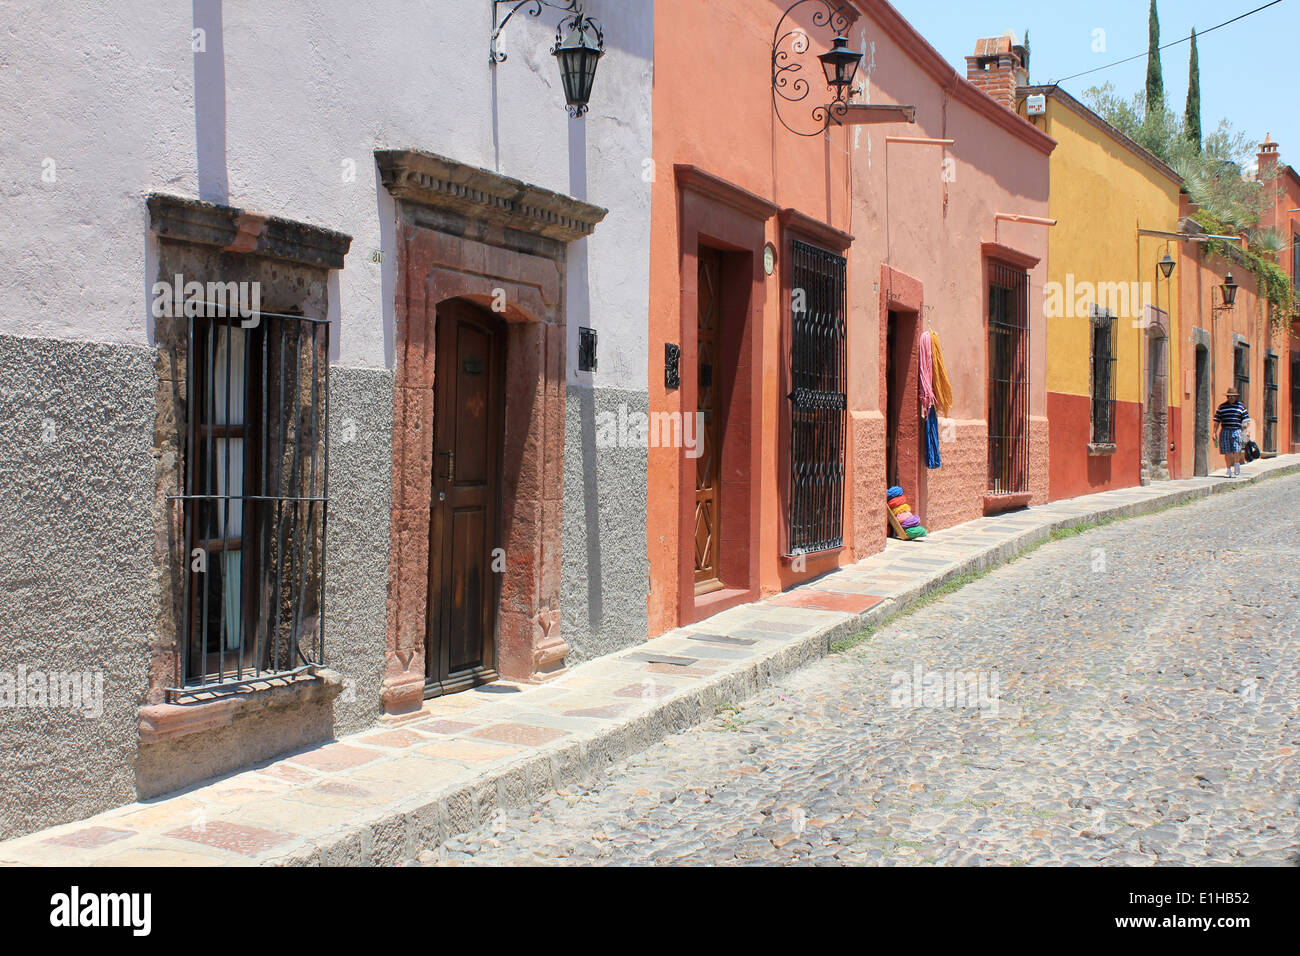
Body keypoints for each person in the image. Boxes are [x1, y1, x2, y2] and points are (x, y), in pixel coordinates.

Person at [1212, 387, 1250, 477]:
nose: (1230, 398)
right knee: (1227, 450)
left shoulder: (1241, 407)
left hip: (1236, 430)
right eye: (1229, 396)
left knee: (1237, 449)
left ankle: (1236, 464)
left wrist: (1246, 431)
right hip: (1225, 430)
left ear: (1236, 397)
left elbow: (1246, 420)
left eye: (1232, 396)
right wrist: (1214, 433)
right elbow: (1217, 420)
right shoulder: (1222, 407)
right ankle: (1228, 469)